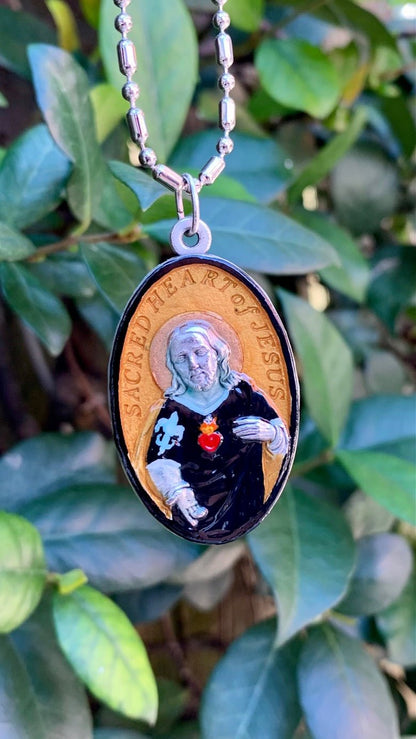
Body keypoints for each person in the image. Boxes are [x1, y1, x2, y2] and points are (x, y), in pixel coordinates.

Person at [135, 320, 289, 541]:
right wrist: (178, 492)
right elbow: (160, 460)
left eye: (200, 353)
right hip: (198, 509)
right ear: (173, 368)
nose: (193, 364)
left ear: (218, 354)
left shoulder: (244, 396)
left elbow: (282, 436)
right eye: (182, 359)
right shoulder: (174, 412)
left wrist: (271, 433)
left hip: (246, 500)